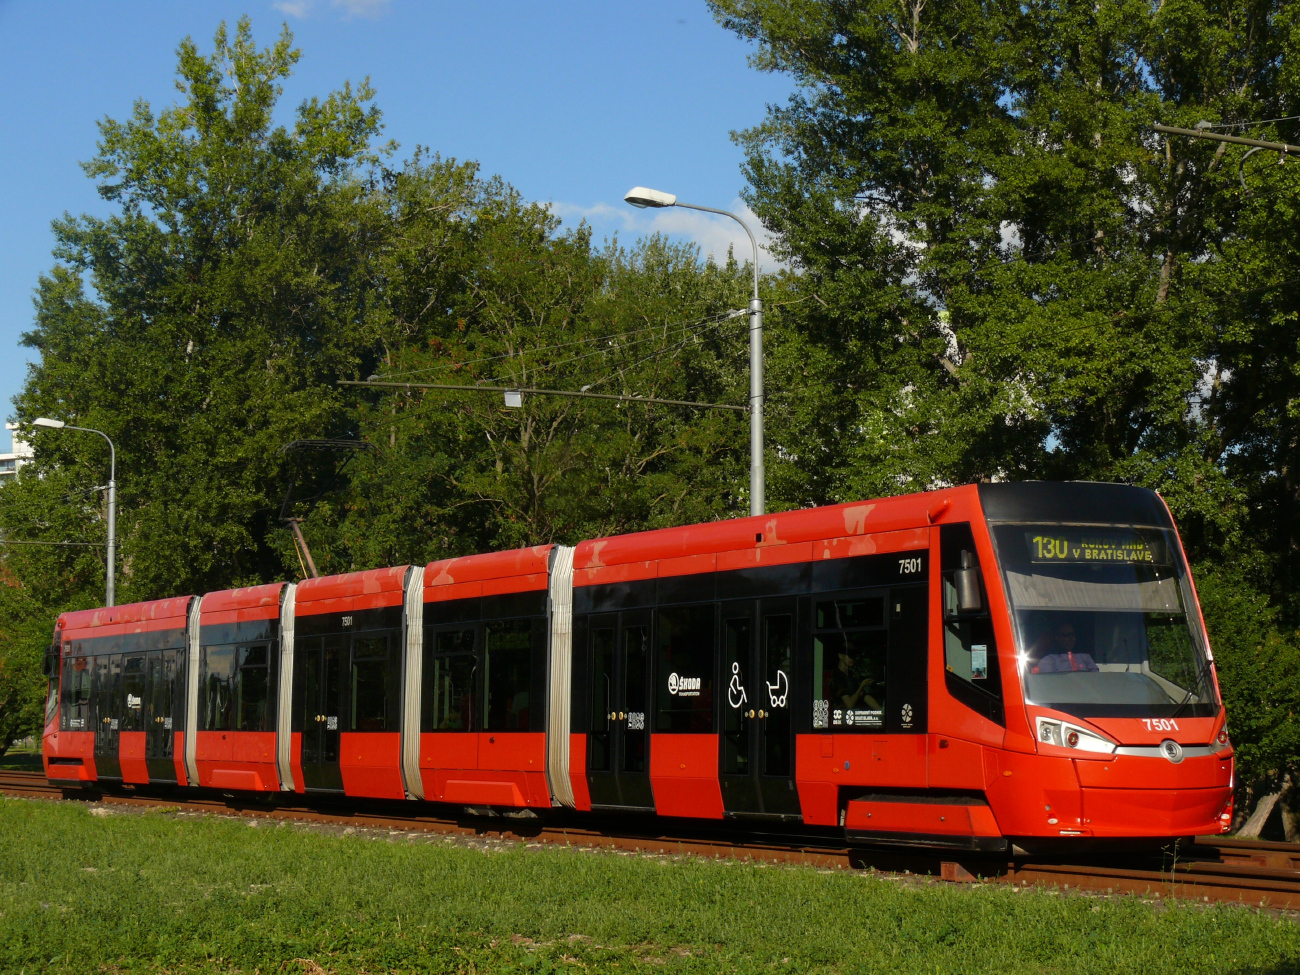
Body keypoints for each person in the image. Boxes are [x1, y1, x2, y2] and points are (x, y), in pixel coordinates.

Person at [1029, 621, 1098, 674]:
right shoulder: (1048, 659)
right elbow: (1049, 680)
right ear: (1057, 638)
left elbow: (1095, 676)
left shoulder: (1085, 657)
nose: (1071, 638)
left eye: (1072, 635)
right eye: (1066, 635)